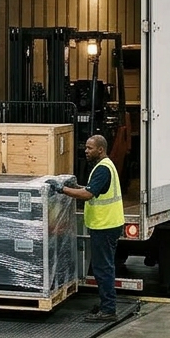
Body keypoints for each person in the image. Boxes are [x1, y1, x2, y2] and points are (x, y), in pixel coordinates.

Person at [52, 134, 124, 323]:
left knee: (103, 268)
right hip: (106, 224)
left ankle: (109, 310)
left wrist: (62, 190)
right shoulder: (104, 166)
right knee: (103, 267)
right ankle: (106, 305)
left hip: (105, 225)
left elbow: (87, 194)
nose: (86, 150)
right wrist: (74, 186)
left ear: (100, 149)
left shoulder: (102, 169)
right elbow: (92, 189)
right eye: (86, 147)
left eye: (90, 148)